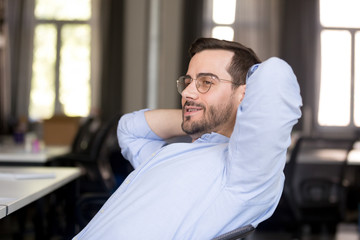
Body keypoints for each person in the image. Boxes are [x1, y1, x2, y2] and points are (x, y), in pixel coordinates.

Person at [73, 38, 302, 239]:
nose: (187, 93)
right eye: (189, 82)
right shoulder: (174, 155)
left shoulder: (245, 173)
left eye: (206, 82)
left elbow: (276, 74)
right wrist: (202, 121)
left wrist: (227, 114)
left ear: (244, 94)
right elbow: (128, 129)